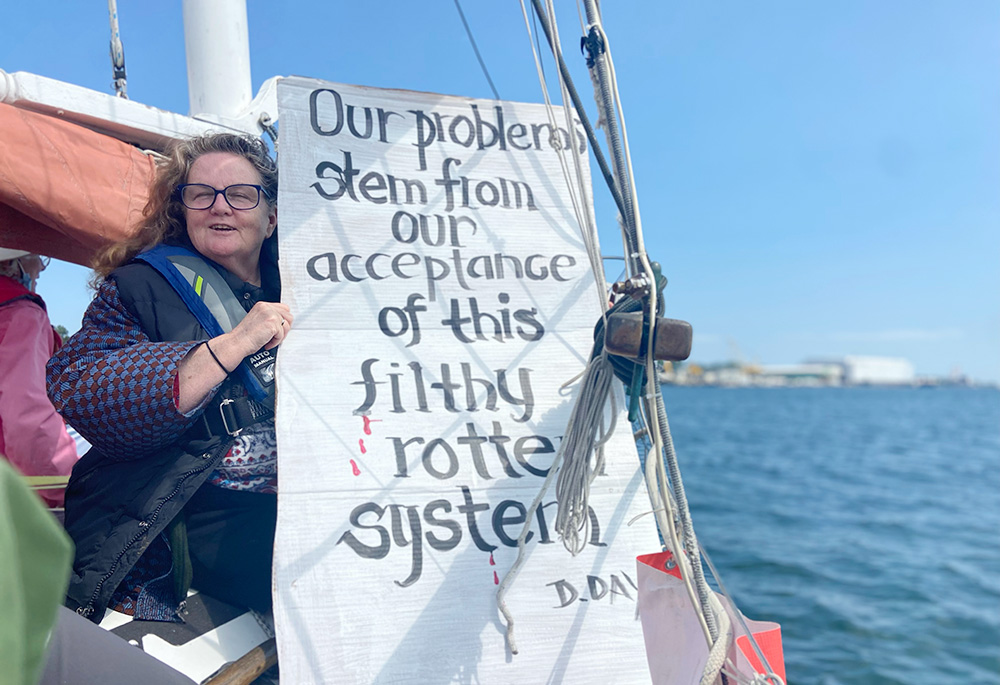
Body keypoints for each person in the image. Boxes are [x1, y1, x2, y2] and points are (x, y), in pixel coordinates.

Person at [47, 133, 292, 623]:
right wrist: (232, 345)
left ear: (272, 217)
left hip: (309, 495)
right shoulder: (141, 285)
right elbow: (84, 388)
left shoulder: (318, 281)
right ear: (183, 209)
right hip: (193, 509)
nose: (220, 207)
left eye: (241, 194)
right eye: (201, 193)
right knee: (304, 574)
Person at [0, 248, 79, 509]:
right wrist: (65, 488)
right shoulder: (20, 313)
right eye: (37, 257)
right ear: (12, 263)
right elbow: (28, 421)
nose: (41, 268)